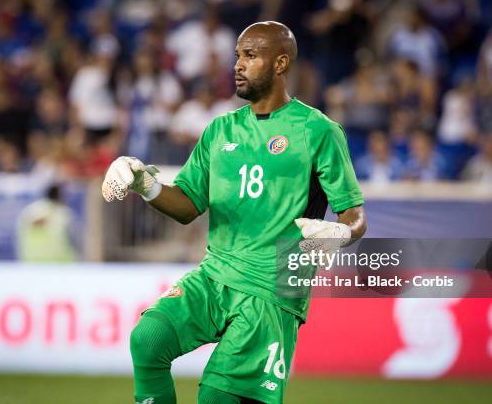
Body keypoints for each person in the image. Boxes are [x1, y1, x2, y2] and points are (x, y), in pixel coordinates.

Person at [102, 22, 366, 403]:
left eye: (250, 55)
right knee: (148, 339)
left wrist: (340, 233)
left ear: (280, 63)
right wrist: (145, 183)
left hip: (272, 288)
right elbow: (188, 205)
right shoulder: (220, 129)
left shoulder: (318, 130)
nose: (238, 65)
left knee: (216, 398)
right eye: (238, 55)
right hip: (215, 273)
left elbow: (354, 216)